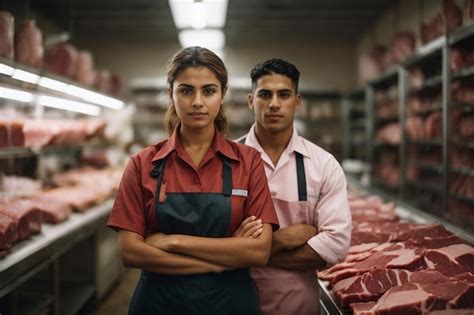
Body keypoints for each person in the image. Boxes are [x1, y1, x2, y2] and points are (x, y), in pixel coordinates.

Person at [107, 47, 279, 315]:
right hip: (159, 305)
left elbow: (258, 252)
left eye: (209, 91)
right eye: (186, 90)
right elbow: (131, 253)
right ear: (170, 94)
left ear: (222, 95)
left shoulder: (248, 162)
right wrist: (221, 261)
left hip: (230, 305)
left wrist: (172, 242)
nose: (197, 101)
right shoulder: (142, 164)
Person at [237, 58, 351, 315]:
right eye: (265, 94)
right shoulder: (227, 160)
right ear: (250, 101)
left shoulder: (323, 165)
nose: (274, 103)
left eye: (284, 95)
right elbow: (212, 238)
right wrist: (282, 240)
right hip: (234, 302)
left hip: (297, 306)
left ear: (297, 102)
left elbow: (336, 244)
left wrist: (243, 255)